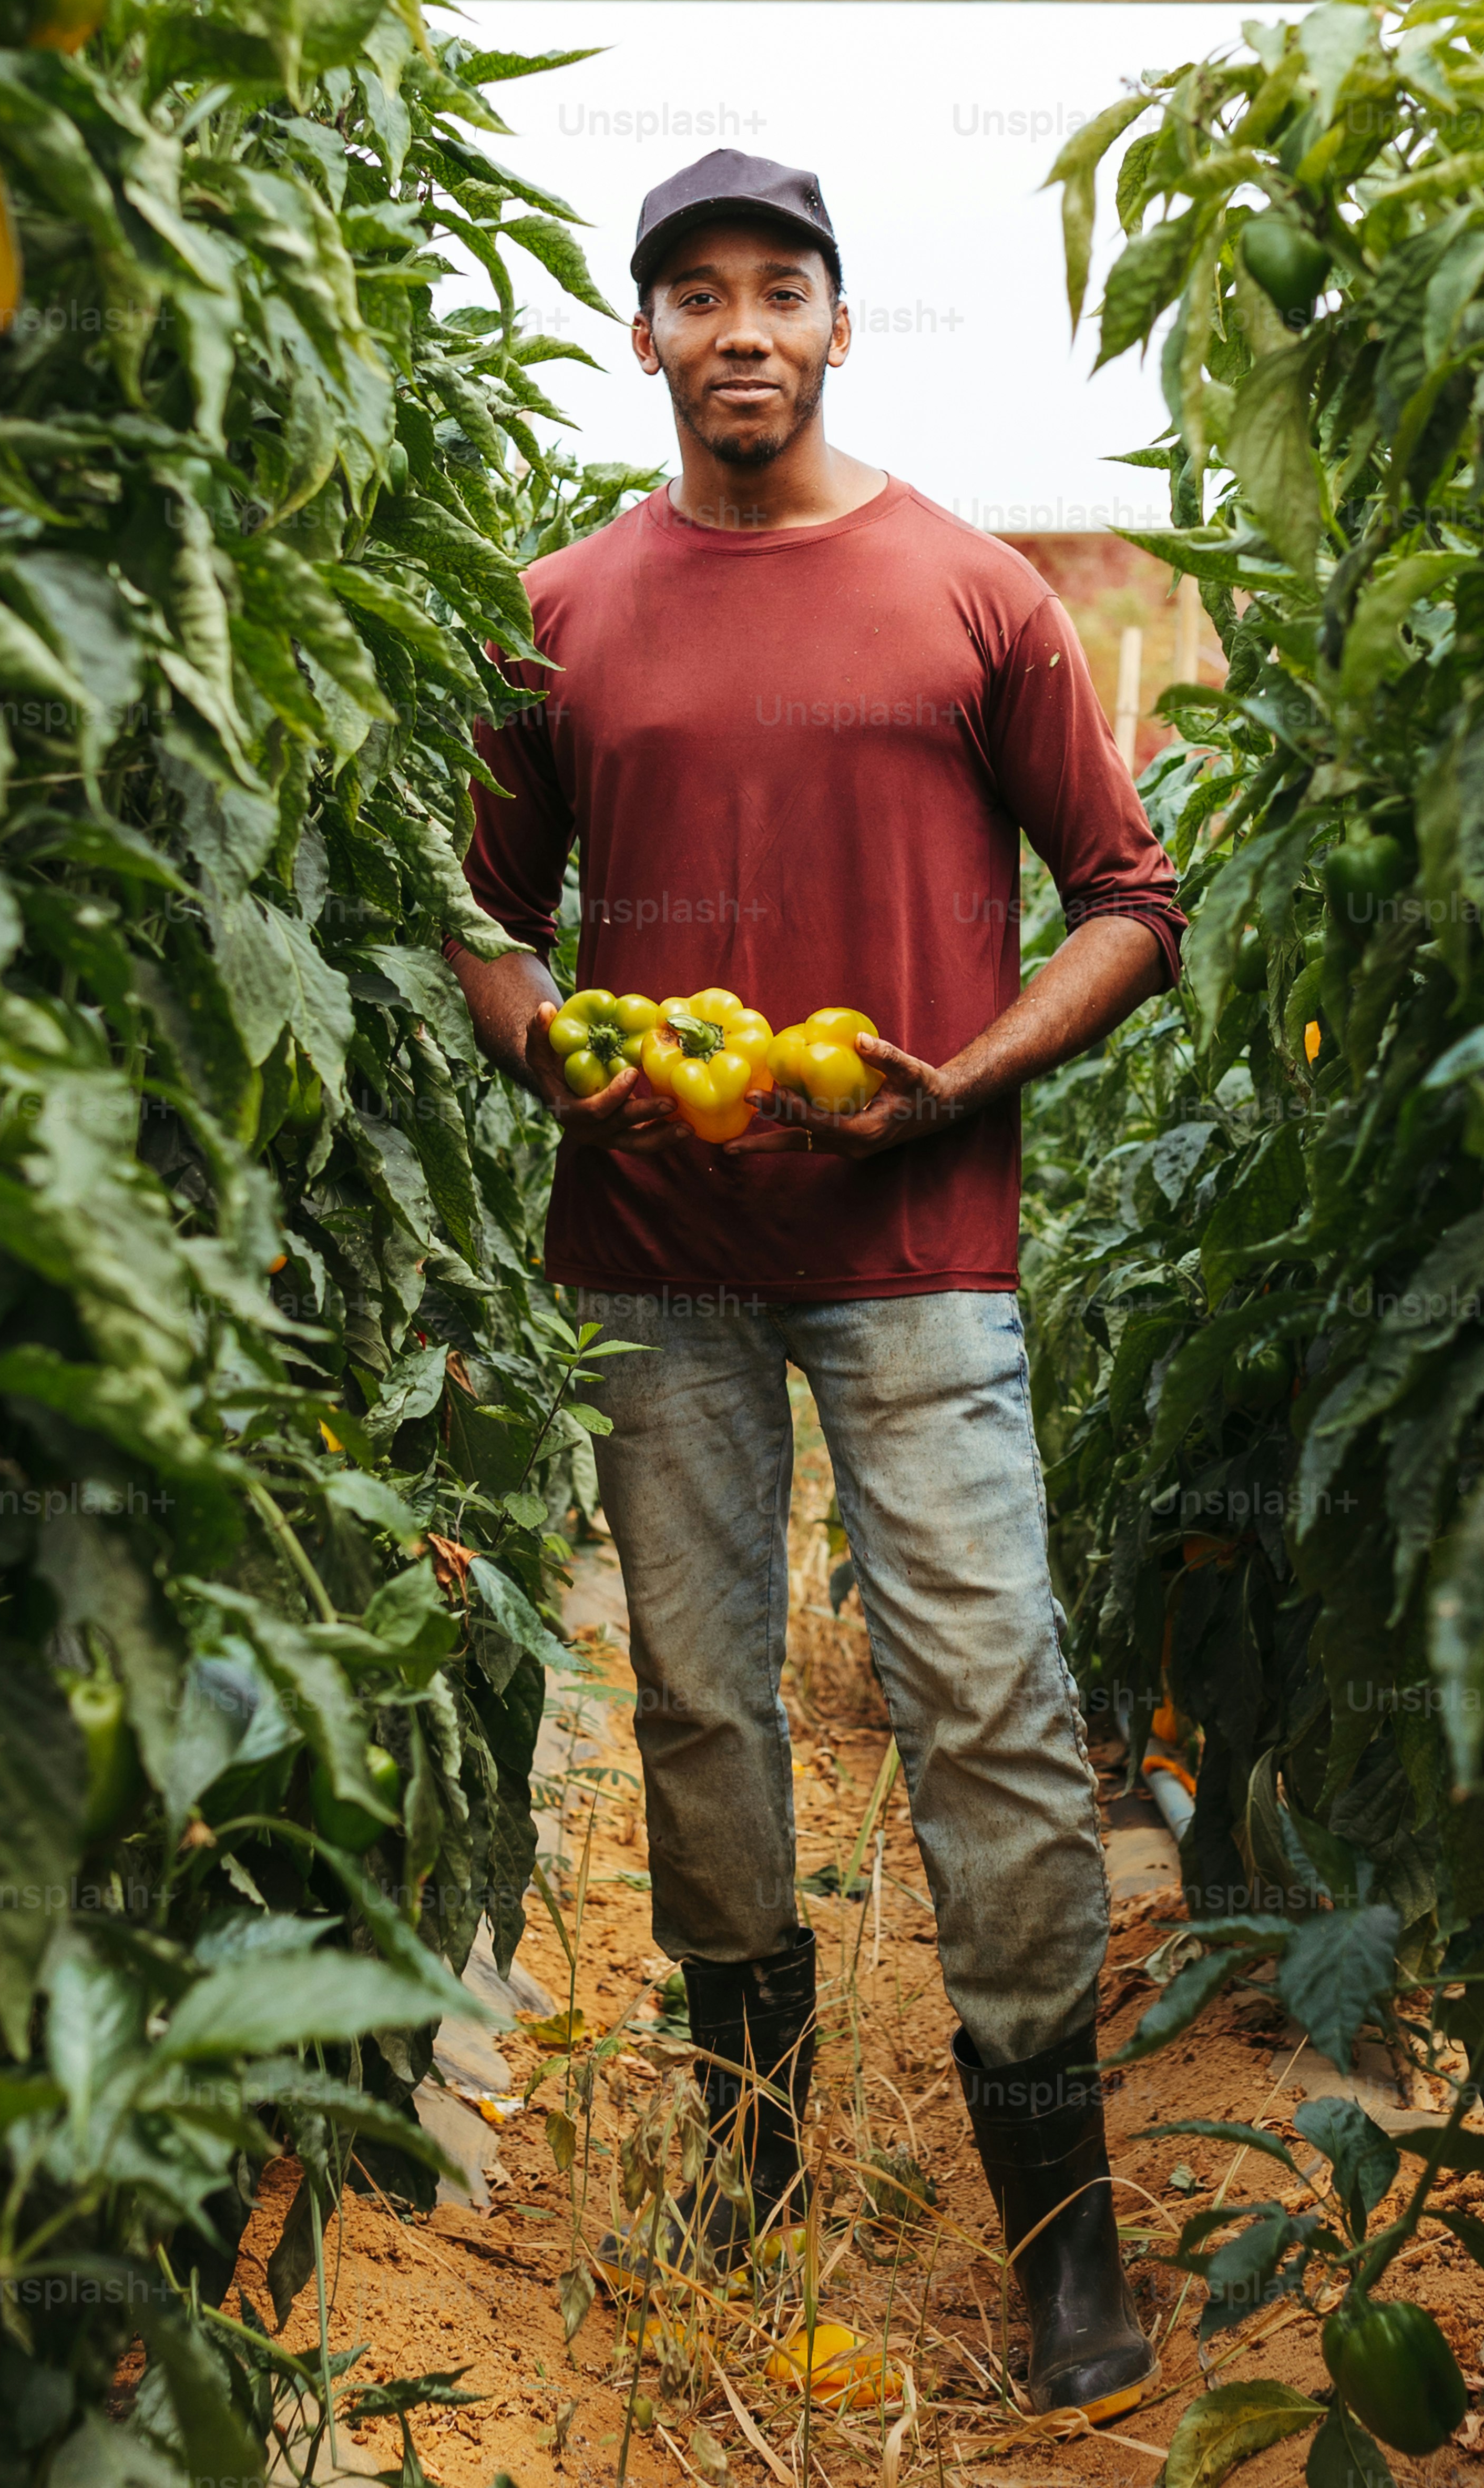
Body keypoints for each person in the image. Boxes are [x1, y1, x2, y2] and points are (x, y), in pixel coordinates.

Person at [445, 148, 1182, 2424]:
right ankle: (749, 2168)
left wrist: (949, 1080)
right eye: (697, 295)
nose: (741, 328)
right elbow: (478, 915)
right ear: (642, 335)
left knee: (991, 1696)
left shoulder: (971, 592)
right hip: (652, 1257)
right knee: (697, 1705)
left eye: (783, 291)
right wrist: (565, 1046)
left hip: (916, 1245)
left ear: (841, 327)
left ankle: (1063, 2230)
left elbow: (1129, 897)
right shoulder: (559, 608)